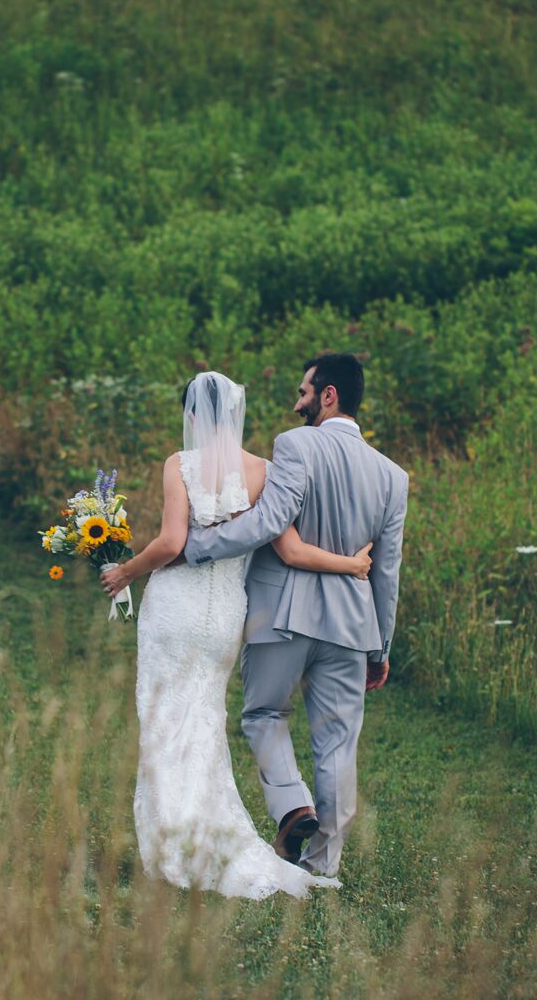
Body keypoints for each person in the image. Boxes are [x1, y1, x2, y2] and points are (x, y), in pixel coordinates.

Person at [97, 371, 371, 898]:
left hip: (176, 608)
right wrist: (350, 564)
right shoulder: (265, 472)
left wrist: (125, 571)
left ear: (193, 416)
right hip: (225, 616)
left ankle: (174, 842)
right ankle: (204, 836)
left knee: (164, 718)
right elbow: (290, 551)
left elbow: (174, 540)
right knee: (203, 716)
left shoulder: (180, 465)